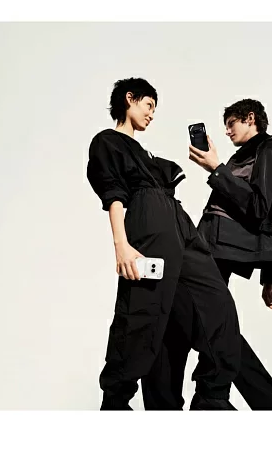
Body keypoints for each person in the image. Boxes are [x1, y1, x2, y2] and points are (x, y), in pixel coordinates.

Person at [86, 77, 242, 410]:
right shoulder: (107, 141)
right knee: (142, 315)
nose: (152, 114)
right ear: (129, 98)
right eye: (148, 105)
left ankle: (211, 400)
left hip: (177, 220)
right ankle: (115, 404)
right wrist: (121, 245)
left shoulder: (145, 153)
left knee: (218, 305)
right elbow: (113, 194)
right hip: (148, 220)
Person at [142, 99, 272, 410]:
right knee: (189, 321)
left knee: (204, 325)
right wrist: (268, 280)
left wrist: (216, 169)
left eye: (232, 123)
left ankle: (225, 399)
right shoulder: (243, 156)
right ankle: (197, 400)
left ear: (251, 118)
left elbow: (261, 209)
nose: (227, 131)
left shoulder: (270, 149)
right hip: (209, 246)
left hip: (216, 250)